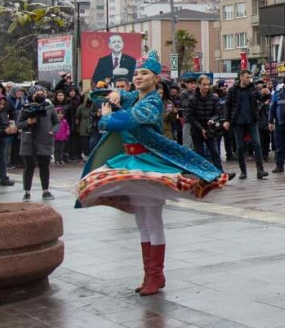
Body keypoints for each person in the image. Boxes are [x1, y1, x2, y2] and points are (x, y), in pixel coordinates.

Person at [76, 51, 228, 296]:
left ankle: (155, 275)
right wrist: (111, 93)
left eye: (144, 73)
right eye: (136, 73)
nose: (138, 77)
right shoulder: (133, 97)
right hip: (132, 162)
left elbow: (127, 121)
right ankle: (150, 275)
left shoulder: (152, 101)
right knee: (141, 221)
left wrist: (106, 118)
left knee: (152, 220)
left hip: (149, 164)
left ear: (156, 78)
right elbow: (94, 96)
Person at [16, 85, 58, 201]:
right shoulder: (25, 108)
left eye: (42, 94)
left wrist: (52, 131)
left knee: (44, 166)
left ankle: (46, 190)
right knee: (29, 167)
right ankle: (27, 192)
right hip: (29, 141)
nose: (40, 96)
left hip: (45, 140)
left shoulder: (49, 107)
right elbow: (19, 124)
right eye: (37, 94)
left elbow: (56, 122)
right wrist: (28, 122)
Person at [224, 71, 268, 180]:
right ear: (241, 77)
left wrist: (267, 94)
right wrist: (226, 120)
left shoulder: (253, 88)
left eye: (250, 77)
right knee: (240, 147)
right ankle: (243, 171)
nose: (249, 79)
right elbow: (227, 106)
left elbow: (261, 98)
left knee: (257, 144)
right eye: (247, 77)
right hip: (238, 122)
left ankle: (260, 170)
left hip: (252, 121)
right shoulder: (233, 90)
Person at [181, 74, 225, 168]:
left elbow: (218, 113)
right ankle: (202, 174)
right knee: (199, 154)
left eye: (208, 84)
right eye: (204, 84)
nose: (206, 87)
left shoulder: (214, 98)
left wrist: (212, 120)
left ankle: (220, 173)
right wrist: (201, 129)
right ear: (199, 85)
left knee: (215, 152)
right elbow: (190, 116)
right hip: (197, 130)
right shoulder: (192, 99)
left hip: (210, 129)